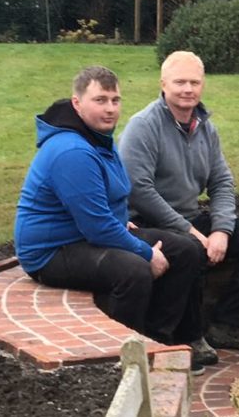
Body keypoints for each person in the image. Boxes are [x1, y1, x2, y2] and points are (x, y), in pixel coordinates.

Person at [14, 66, 218, 374]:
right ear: (76, 103)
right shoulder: (72, 151)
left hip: (84, 235)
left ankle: (155, 341)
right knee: (133, 271)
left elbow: (108, 202)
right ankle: (115, 361)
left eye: (115, 100)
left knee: (186, 250)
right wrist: (147, 252)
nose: (110, 109)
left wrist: (123, 223)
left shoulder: (98, 139)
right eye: (100, 100)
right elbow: (97, 227)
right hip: (51, 251)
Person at [118, 51, 239, 351]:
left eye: (194, 82)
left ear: (203, 85)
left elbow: (222, 181)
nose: (187, 89)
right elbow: (138, 189)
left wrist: (222, 229)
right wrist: (189, 231)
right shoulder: (144, 126)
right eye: (180, 82)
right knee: (189, 248)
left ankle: (227, 324)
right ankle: (180, 337)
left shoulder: (205, 127)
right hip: (145, 223)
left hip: (189, 220)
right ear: (163, 84)